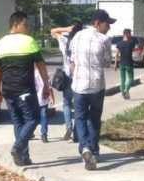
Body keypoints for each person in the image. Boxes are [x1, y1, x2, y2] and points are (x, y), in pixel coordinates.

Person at [0, 12, 51, 166]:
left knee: (18, 122)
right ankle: (18, 147)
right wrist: (46, 85)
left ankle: (23, 158)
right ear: (16, 24)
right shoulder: (29, 41)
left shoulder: (1, 43)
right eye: (25, 25)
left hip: (7, 90)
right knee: (33, 119)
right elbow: (41, 65)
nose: (27, 28)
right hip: (24, 89)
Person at [69, 9, 115, 171]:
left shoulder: (77, 36)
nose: (109, 27)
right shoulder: (104, 39)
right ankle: (93, 150)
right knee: (94, 119)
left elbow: (72, 60)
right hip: (96, 86)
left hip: (79, 86)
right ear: (97, 23)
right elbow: (107, 63)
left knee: (80, 118)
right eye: (107, 23)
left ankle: (85, 148)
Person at [50, 21, 82, 141]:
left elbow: (53, 31)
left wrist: (66, 28)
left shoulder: (64, 40)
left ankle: (69, 126)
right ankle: (78, 133)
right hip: (79, 77)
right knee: (79, 105)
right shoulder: (81, 41)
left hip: (67, 76)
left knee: (67, 103)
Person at [34, 67, 55, 143]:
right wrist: (52, 98)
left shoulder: (32, 74)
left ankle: (30, 132)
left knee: (33, 118)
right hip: (44, 99)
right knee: (44, 117)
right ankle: (44, 135)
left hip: (34, 100)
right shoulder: (45, 74)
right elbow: (49, 87)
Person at [116, 28, 136, 100]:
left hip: (121, 63)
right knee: (131, 79)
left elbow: (117, 55)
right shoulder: (132, 43)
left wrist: (115, 64)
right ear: (127, 34)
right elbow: (132, 50)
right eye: (130, 33)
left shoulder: (119, 43)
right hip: (129, 63)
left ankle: (123, 92)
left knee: (122, 79)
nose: (131, 35)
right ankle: (126, 90)